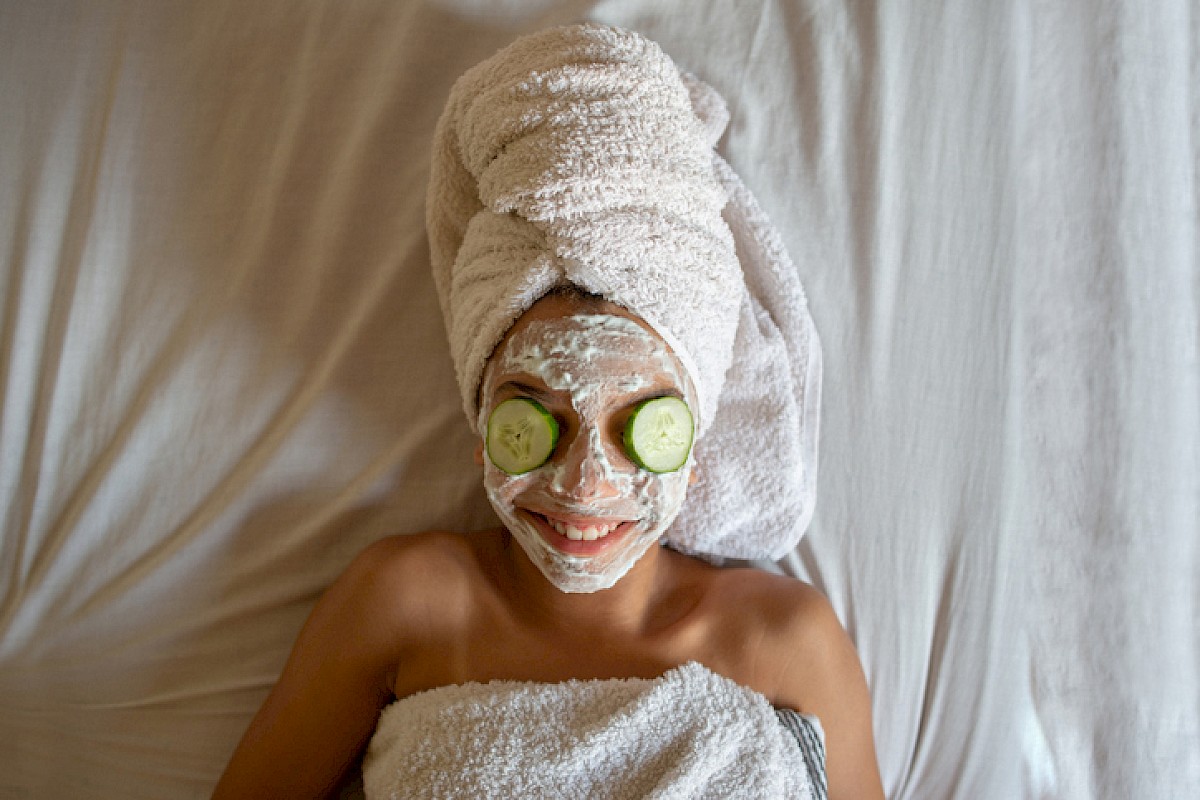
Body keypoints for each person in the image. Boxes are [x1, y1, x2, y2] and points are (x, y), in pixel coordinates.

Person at [215, 23, 884, 800]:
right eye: (534, 425)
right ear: (482, 431)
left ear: (694, 444)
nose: (584, 485)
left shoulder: (789, 641)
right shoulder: (402, 603)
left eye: (641, 428)